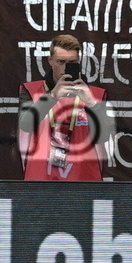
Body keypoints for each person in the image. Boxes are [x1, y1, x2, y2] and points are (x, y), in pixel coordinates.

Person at [18, 34, 113, 181]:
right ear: (50, 61)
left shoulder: (94, 94)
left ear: (78, 61)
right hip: (41, 180)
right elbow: (26, 125)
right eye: (60, 62)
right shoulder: (31, 90)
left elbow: (103, 137)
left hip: (83, 179)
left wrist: (91, 104)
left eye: (71, 62)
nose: (64, 68)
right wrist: (52, 96)